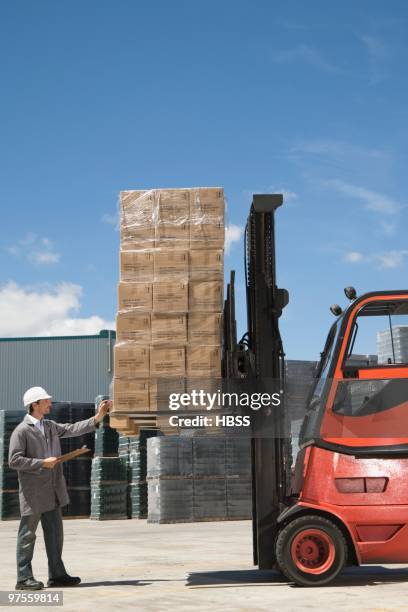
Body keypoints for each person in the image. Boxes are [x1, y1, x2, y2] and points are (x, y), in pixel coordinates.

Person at [8, 386, 111, 591]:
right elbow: (14, 460)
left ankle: (57, 575)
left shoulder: (50, 426)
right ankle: (23, 578)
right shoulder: (21, 431)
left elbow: (73, 429)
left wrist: (98, 416)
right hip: (34, 493)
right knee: (27, 535)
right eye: (46, 400)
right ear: (34, 404)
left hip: (53, 490)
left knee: (55, 534)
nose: (50, 403)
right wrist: (41, 463)